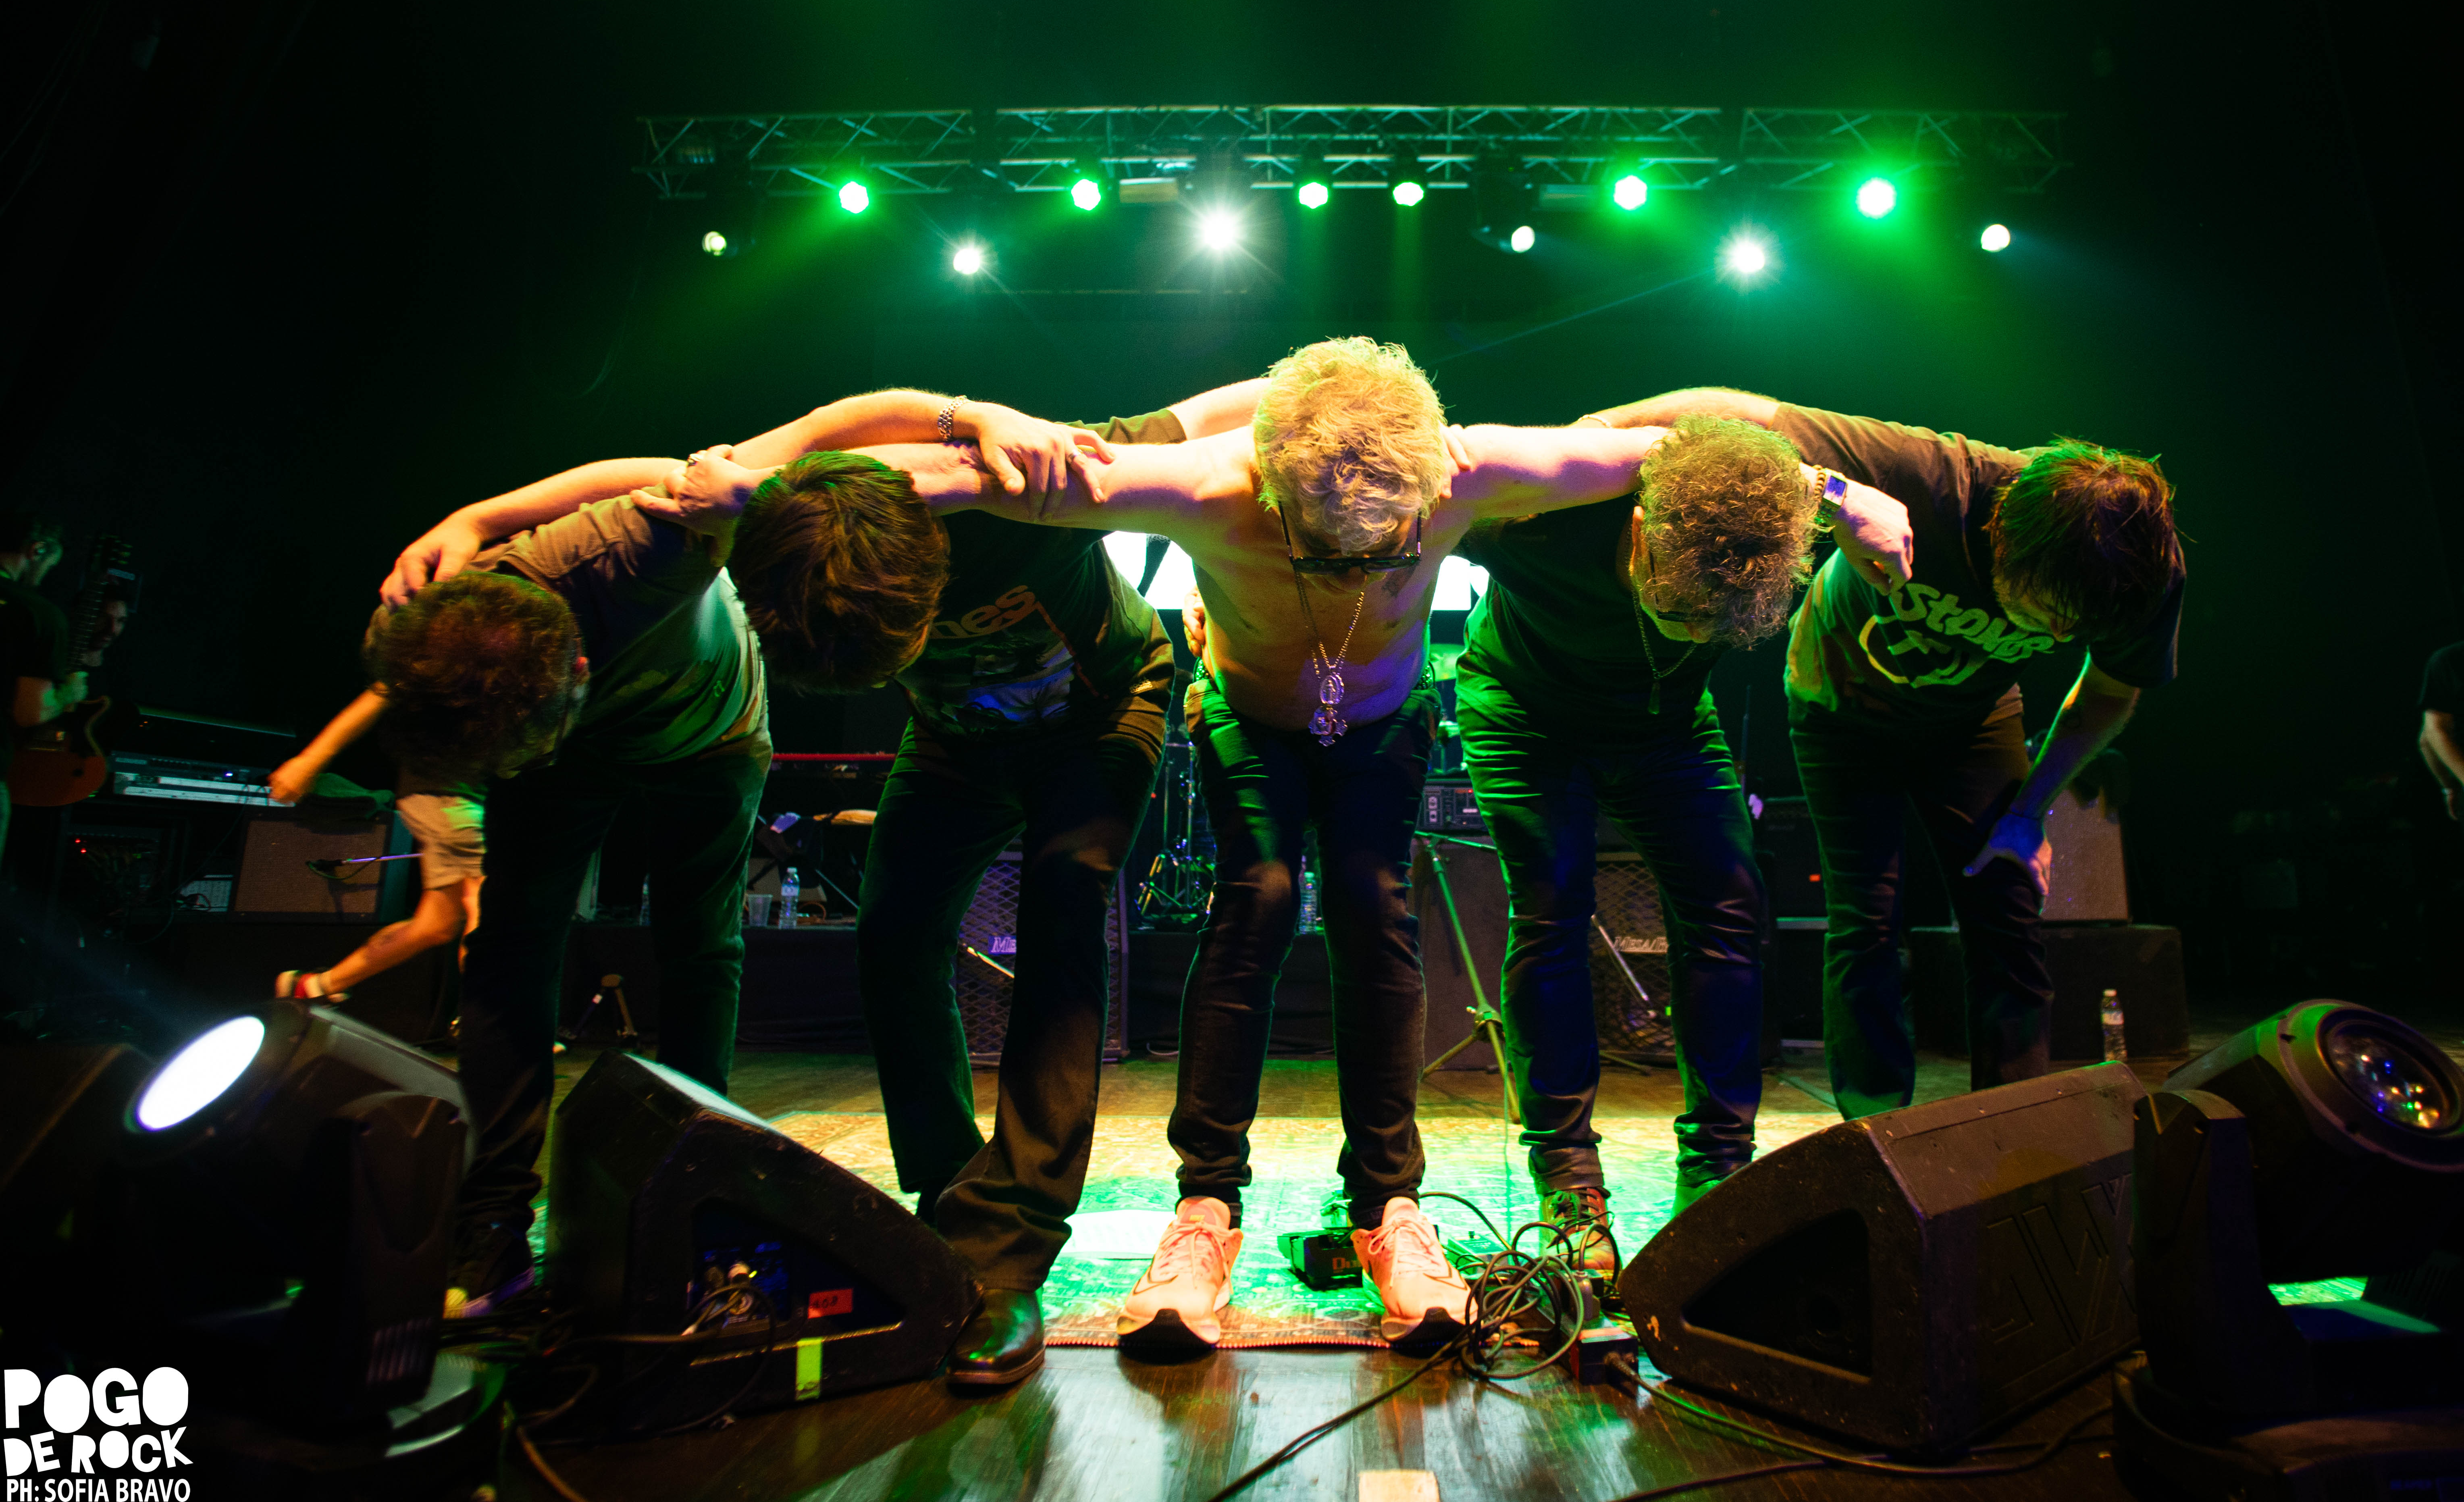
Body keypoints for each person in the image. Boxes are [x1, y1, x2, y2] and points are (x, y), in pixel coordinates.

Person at [667, 339, 1912, 1356]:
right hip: (1255, 722)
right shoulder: (1201, 484)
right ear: (1269, 485)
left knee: (1376, 908)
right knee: (1254, 898)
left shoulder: (1469, 472)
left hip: (1375, 730)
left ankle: (1392, 1207)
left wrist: (1848, 497)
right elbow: (1010, 477)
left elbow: (1674, 447)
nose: (1363, 561)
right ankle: (1204, 1203)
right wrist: (801, 469)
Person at [450, 385, 1261, 1386]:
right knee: (892, 934)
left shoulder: (1036, 477)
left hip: (1099, 715)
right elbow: (657, 480)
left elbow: (1199, 417)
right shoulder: (784, 507)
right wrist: (474, 522)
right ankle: (948, 1191)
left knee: (1064, 901)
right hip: (956, 743)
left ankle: (1006, 1251)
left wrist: (1312, 387)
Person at [1592, 389, 2183, 1119]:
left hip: (1973, 721)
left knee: (2007, 913)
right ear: (2001, 535)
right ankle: (1875, 1136)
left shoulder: (2138, 577)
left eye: (2070, 627)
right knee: (1866, 925)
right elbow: (1731, 411)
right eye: (2042, 612)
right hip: (1839, 706)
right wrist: (1578, 438)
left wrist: (2029, 813)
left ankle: (2017, 1134)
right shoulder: (1931, 475)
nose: (2056, 635)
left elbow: (2105, 695)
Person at [1453, 406, 1910, 1261]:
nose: (1685, 632)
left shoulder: (1761, 519)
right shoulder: (1540, 516)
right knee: (1551, 908)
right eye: (1670, 609)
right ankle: (1568, 1185)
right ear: (1639, 529)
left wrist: (1843, 495)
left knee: (1729, 907)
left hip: (1665, 727)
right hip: (1525, 713)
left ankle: (1717, 1173)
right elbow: (1422, 487)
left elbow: (1774, 452)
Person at [265, 688, 486, 1005]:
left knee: (435, 925)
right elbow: (381, 692)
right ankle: (500, 1028)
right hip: (444, 792)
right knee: (487, 901)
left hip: (466, 793)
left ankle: (316, 985)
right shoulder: (451, 643)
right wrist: (308, 760)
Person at [1, 514, 83, 862]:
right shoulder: (37, 614)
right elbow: (30, 711)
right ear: (37, 550)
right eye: (50, 563)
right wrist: (70, 694)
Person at [2419, 643, 2464, 822]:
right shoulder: (2449, 661)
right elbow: (2431, 735)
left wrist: (2450, 787)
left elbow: (2428, 738)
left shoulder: (2448, 660)